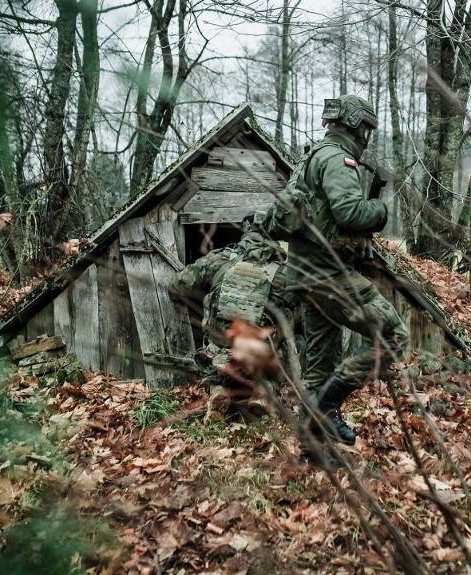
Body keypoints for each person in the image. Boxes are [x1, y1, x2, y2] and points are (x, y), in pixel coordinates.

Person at [286, 95, 410, 465]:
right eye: (367, 128)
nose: (368, 136)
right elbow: (349, 213)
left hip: (304, 274)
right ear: (356, 125)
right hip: (327, 274)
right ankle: (327, 409)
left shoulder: (311, 157)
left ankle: (313, 450)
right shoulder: (339, 159)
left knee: (319, 365)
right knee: (394, 334)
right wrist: (381, 210)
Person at [169, 214, 297, 423]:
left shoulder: (221, 259)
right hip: (262, 352)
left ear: (246, 231)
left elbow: (177, 286)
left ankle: (218, 390)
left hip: (221, 348)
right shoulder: (288, 271)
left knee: (215, 359)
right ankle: (263, 392)